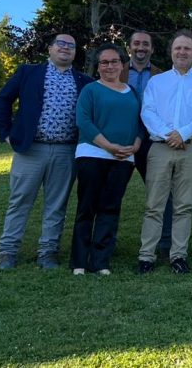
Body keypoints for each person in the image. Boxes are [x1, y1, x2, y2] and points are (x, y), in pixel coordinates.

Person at [0, 34, 93, 270]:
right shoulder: (28, 73)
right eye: (61, 44)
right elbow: (3, 100)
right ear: (50, 49)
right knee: (20, 200)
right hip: (31, 149)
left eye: (71, 45)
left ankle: (48, 252)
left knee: (56, 205)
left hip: (66, 151)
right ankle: (8, 251)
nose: (66, 48)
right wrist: (6, 132)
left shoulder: (84, 81)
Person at [137, 29, 192, 275]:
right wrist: (169, 134)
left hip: (190, 150)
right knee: (154, 205)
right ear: (171, 52)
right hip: (160, 148)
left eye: (187, 48)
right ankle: (146, 256)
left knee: (184, 206)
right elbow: (147, 112)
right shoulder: (157, 81)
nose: (182, 52)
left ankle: (178, 255)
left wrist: (182, 133)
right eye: (178, 48)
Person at [70, 44, 141, 276]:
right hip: (93, 154)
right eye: (104, 62)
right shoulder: (91, 90)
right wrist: (109, 146)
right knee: (87, 207)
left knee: (110, 208)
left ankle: (101, 260)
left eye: (114, 62)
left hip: (124, 159)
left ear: (122, 65)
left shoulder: (132, 92)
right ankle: (79, 260)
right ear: (98, 66)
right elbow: (84, 121)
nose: (110, 66)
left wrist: (136, 145)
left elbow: (141, 122)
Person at [120, 30, 172, 258]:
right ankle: (106, 241)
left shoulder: (163, 76)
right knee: (113, 192)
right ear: (129, 47)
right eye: (136, 44)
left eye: (146, 45)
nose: (141, 48)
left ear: (152, 49)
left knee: (162, 194)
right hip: (121, 142)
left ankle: (166, 242)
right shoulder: (115, 71)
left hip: (153, 142)